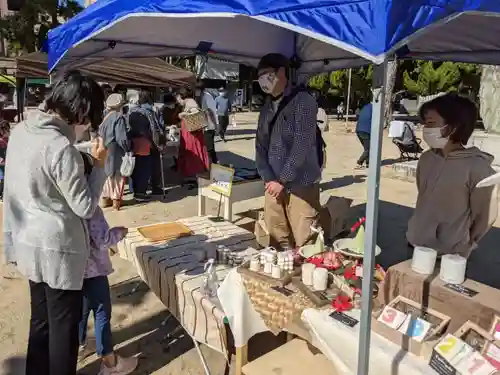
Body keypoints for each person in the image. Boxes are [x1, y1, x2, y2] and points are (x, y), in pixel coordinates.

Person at [3, 71, 107, 375]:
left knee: (40, 321)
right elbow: (85, 206)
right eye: (89, 118)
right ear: (82, 111)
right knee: (63, 330)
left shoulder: (22, 131)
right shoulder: (60, 148)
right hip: (58, 251)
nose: (87, 127)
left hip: (26, 243)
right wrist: (99, 166)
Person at [407, 93, 498, 258]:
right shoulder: (427, 159)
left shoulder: (477, 167)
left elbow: (485, 214)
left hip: (449, 254)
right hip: (416, 244)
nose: (425, 130)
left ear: (452, 127)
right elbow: (423, 193)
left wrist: (466, 244)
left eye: (431, 124)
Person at [78, 153, 138, 375]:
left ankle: (80, 344)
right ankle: (110, 361)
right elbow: (102, 239)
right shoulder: (89, 205)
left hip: (76, 269)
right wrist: (119, 233)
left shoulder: (64, 199)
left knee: (82, 309)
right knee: (102, 311)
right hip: (94, 269)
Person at [255, 53, 321, 250]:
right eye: (259, 76)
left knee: (306, 238)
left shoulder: (303, 101)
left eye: (266, 74)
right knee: (277, 237)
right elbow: (260, 145)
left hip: (300, 184)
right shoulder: (266, 107)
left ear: (282, 73)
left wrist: (283, 179)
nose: (262, 80)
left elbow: (302, 143)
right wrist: (268, 178)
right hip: (272, 185)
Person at [128, 90, 165, 201]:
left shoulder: (130, 112)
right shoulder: (148, 112)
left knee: (136, 168)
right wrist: (157, 143)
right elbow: (154, 129)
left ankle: (135, 190)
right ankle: (141, 193)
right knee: (146, 168)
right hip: (146, 143)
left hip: (133, 143)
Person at [99, 93, 130, 210]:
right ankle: (116, 201)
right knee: (118, 174)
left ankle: (105, 199)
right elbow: (121, 137)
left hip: (105, 147)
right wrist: (127, 149)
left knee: (107, 174)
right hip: (115, 149)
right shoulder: (118, 117)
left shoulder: (105, 117)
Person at [176, 88, 209, 188]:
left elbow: (196, 116)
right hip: (190, 135)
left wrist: (183, 115)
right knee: (190, 155)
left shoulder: (191, 103)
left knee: (192, 154)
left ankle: (193, 177)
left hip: (192, 136)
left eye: (178, 99)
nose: (177, 101)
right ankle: (192, 176)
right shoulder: (189, 103)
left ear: (181, 97)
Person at [195, 82, 218, 164]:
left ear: (202, 90)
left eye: (197, 90)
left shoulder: (207, 97)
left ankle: (213, 165)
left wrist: (216, 125)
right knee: (207, 147)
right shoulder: (200, 97)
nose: (196, 92)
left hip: (209, 126)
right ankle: (211, 164)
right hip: (205, 126)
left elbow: (210, 112)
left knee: (209, 148)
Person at [355, 101, 373, 169]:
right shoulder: (375, 108)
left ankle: (368, 163)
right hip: (366, 131)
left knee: (367, 148)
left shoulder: (366, 107)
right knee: (368, 149)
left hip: (359, 130)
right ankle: (359, 162)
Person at [0, 120, 9, 199]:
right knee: (2, 179)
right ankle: (2, 194)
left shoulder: (11, 140)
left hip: (8, 164)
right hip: (2, 165)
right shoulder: (1, 141)